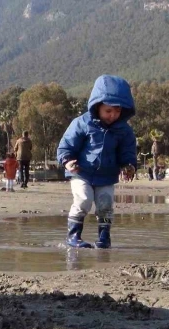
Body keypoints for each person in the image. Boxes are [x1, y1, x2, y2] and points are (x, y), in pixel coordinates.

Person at [57, 75, 136, 249]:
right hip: (81, 173)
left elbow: (128, 152)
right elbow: (66, 146)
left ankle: (104, 238)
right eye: (108, 111)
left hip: (107, 176)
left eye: (117, 111)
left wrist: (129, 166)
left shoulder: (124, 130)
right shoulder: (82, 123)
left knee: (105, 205)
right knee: (83, 200)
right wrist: (67, 161)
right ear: (97, 106)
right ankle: (74, 236)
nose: (113, 115)